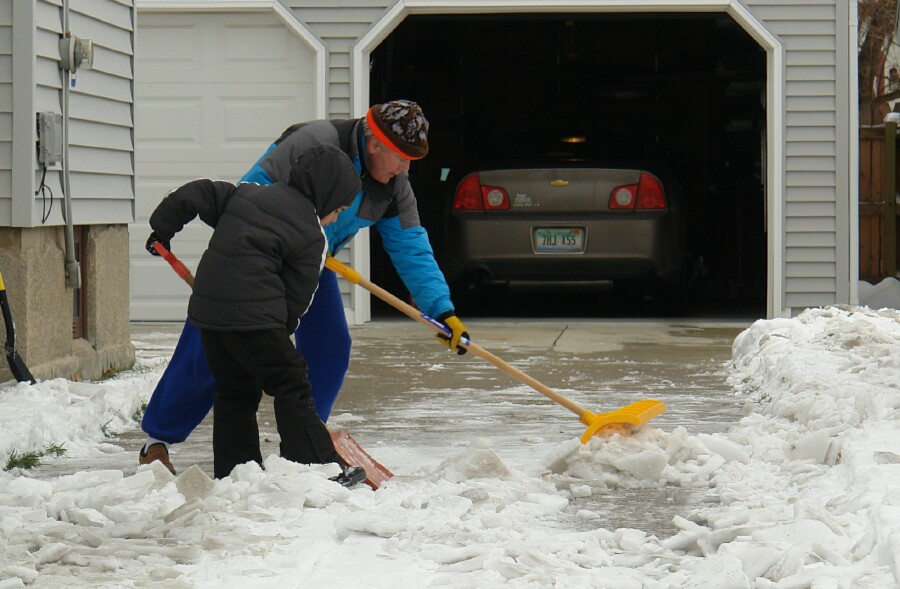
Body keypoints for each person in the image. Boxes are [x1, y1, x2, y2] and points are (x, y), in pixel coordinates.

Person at [139, 100, 470, 474]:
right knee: (212, 341)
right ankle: (158, 439)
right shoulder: (316, 140)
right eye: (401, 158)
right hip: (260, 255)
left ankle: (306, 443)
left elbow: (411, 244)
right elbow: (250, 190)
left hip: (311, 259)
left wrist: (442, 310)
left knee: (331, 344)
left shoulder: (394, 187)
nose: (406, 170)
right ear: (375, 144)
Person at [148, 144, 365, 484]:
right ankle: (314, 468)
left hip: (208, 316)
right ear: (324, 197)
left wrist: (163, 228)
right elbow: (297, 300)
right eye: (337, 209)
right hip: (255, 321)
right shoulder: (312, 235)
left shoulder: (246, 195)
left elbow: (197, 193)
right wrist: (279, 333)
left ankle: (238, 473)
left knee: (236, 389)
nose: (336, 217)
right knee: (292, 382)